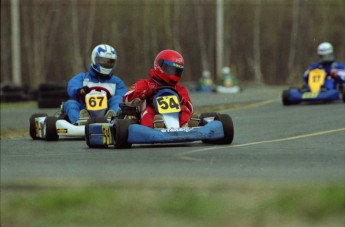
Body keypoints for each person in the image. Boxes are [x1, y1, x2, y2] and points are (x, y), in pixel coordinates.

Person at [123, 49, 199, 128]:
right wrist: (144, 94)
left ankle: (186, 126)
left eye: (177, 71)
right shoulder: (146, 84)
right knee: (148, 111)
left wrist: (182, 99)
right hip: (154, 114)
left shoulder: (179, 88)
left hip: (176, 117)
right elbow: (127, 98)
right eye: (170, 69)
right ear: (159, 65)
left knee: (184, 109)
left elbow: (190, 107)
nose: (173, 73)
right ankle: (153, 127)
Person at [64, 44, 127, 124]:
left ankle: (112, 118)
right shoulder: (83, 78)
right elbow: (72, 86)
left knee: (118, 100)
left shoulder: (116, 82)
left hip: (107, 110)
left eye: (109, 61)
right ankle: (79, 121)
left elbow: (123, 95)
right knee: (70, 103)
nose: (106, 63)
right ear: (95, 59)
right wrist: (80, 90)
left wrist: (110, 98)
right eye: (103, 60)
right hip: (84, 108)